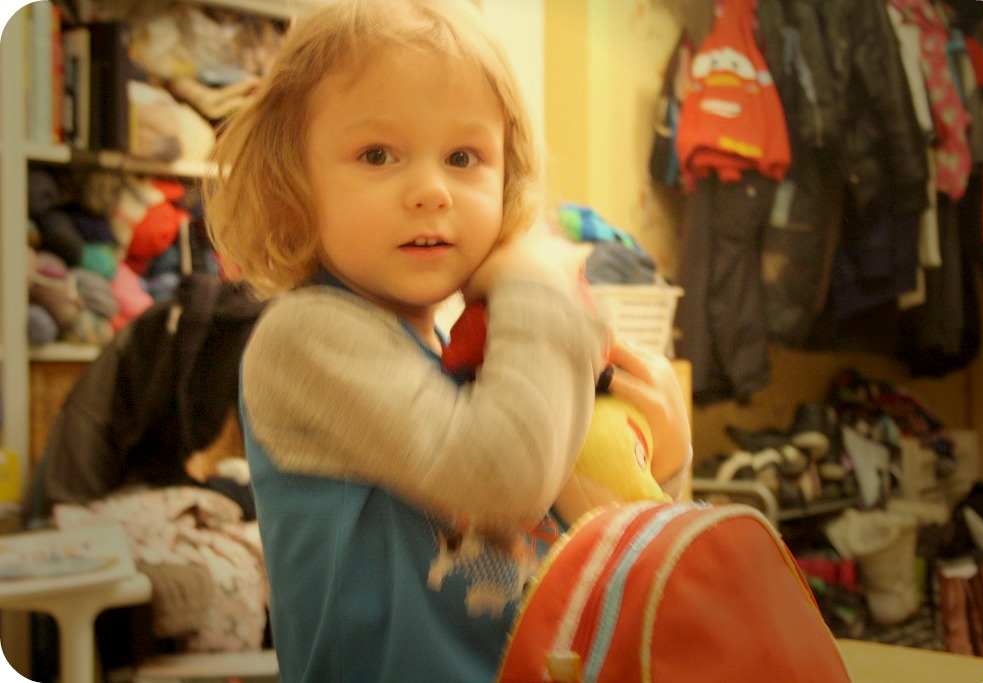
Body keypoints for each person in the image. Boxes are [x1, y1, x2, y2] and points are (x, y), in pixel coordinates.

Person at [203, 0, 690, 680]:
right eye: (377, 155)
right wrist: (536, 284)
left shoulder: (465, 361)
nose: (431, 191)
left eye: (463, 157)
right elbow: (506, 480)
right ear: (293, 186)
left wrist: (664, 458)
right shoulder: (304, 340)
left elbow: (605, 557)